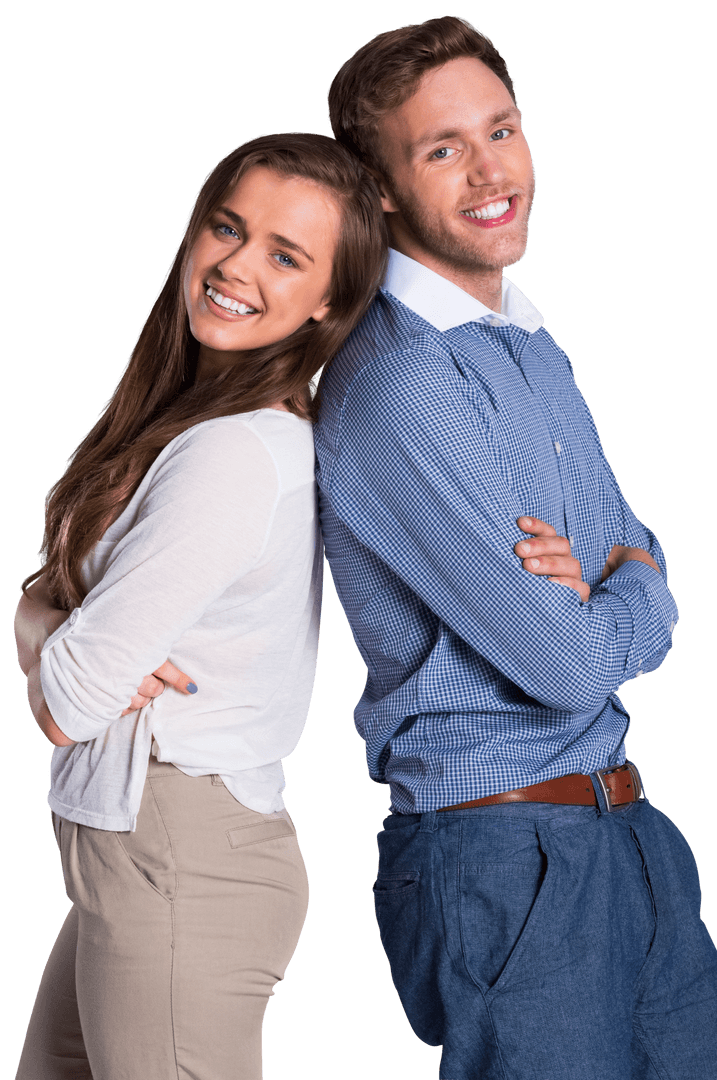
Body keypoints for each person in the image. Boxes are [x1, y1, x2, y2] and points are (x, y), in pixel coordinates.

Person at [315, 16, 717, 1080]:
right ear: (379, 189)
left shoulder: (524, 339)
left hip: (626, 832)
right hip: (502, 858)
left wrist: (621, 580)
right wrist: (633, 594)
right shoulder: (401, 382)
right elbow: (569, 662)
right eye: (442, 149)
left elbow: (631, 546)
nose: (491, 170)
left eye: (502, 130)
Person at [14, 131, 386, 1080]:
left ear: (330, 302)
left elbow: (69, 705)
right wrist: (46, 630)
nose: (235, 266)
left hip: (182, 859)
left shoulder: (232, 455)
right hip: (135, 856)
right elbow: (51, 616)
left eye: (285, 255)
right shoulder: (189, 422)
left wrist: (54, 643)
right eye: (229, 227)